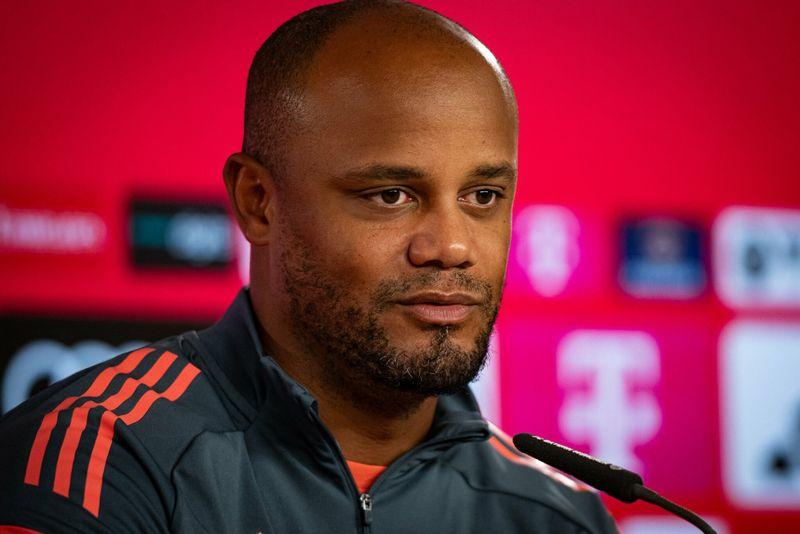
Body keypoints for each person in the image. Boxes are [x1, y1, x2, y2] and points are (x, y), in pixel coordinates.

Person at [0, 1, 617, 532]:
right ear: (257, 202)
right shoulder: (102, 460)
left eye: (482, 197)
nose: (452, 247)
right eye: (391, 195)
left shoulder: (556, 515)